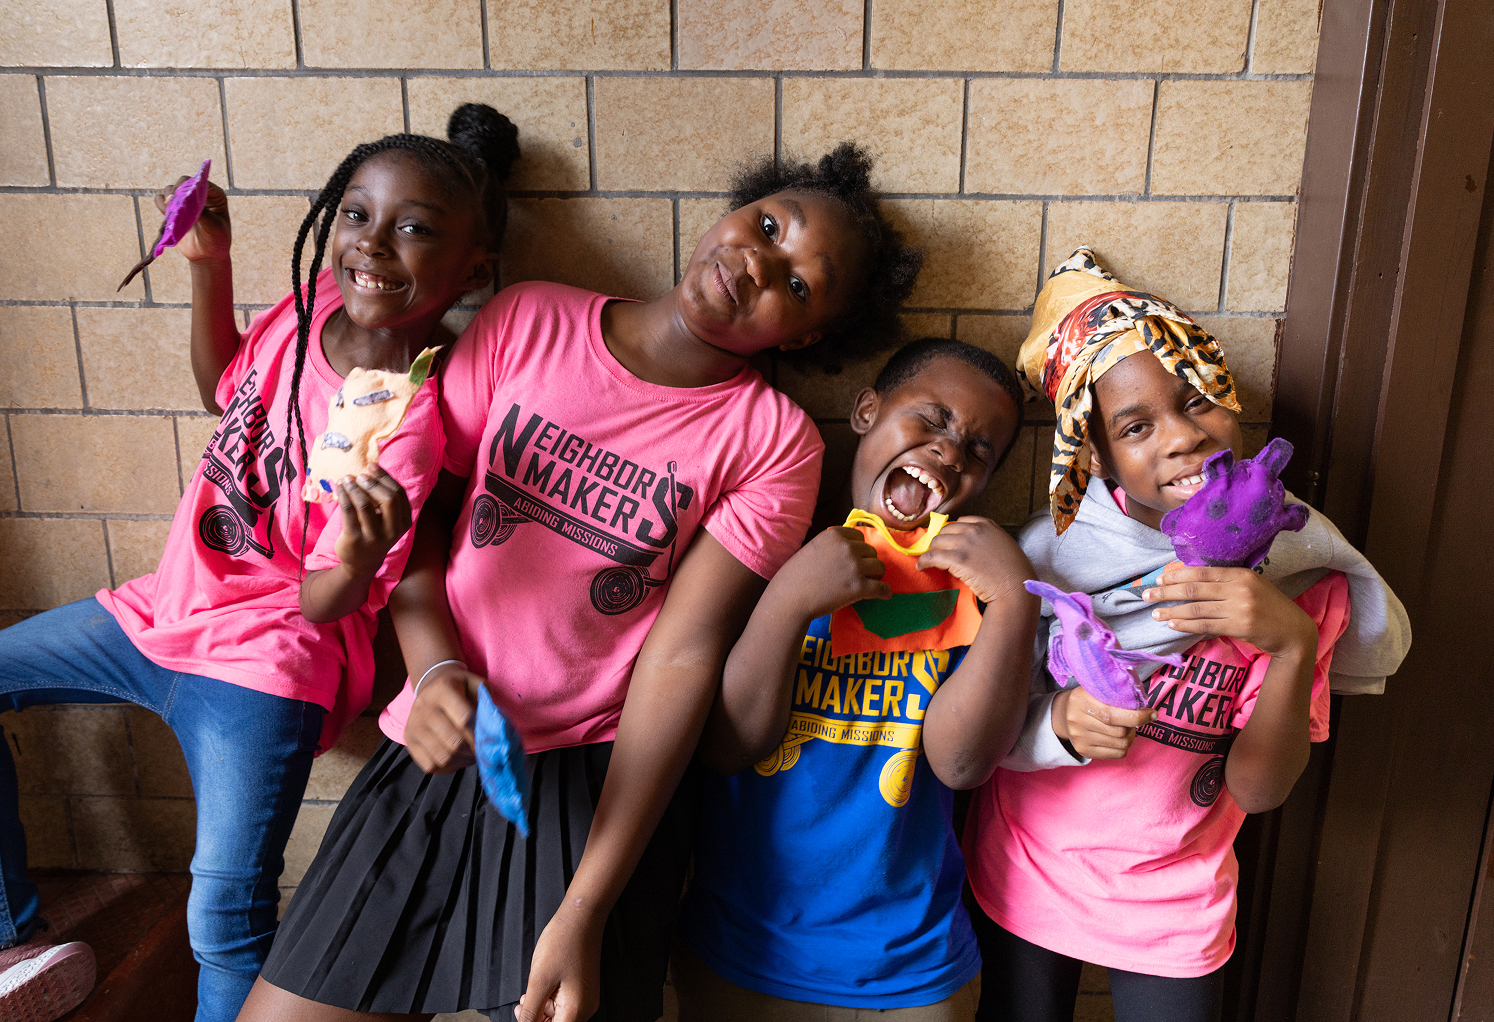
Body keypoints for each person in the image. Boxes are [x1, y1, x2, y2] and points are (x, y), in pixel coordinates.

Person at [238, 142, 924, 1022]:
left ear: (807, 335)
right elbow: (422, 521)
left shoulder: (771, 441)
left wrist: (585, 908)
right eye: (764, 226)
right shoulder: (529, 320)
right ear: (730, 213)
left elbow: (680, 660)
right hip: (439, 741)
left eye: (797, 284)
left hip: (592, 785)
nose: (759, 263)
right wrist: (437, 668)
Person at [0, 104, 517, 1022]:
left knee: (222, 909)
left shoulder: (408, 426)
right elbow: (221, 388)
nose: (373, 246)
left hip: (268, 661)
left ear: (471, 269)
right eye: (358, 214)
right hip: (162, 612)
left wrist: (355, 558)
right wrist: (212, 265)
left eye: (414, 230)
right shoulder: (310, 303)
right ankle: (14, 944)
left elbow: (324, 606)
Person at [963, 248, 1412, 1022]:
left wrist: (1290, 646)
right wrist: (1061, 721)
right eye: (1137, 426)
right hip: (1028, 873)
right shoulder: (1044, 558)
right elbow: (976, 729)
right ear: (1094, 457)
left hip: (1178, 900)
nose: (1183, 437)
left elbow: (1259, 789)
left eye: (1199, 400)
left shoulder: (1299, 562)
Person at [673, 338, 1038, 1022]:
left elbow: (961, 765)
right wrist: (787, 600)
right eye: (930, 420)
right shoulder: (767, 551)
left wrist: (1016, 602)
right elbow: (726, 746)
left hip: (910, 972)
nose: (950, 452)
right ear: (867, 410)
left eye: (978, 449)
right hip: (742, 954)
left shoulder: (974, 599)